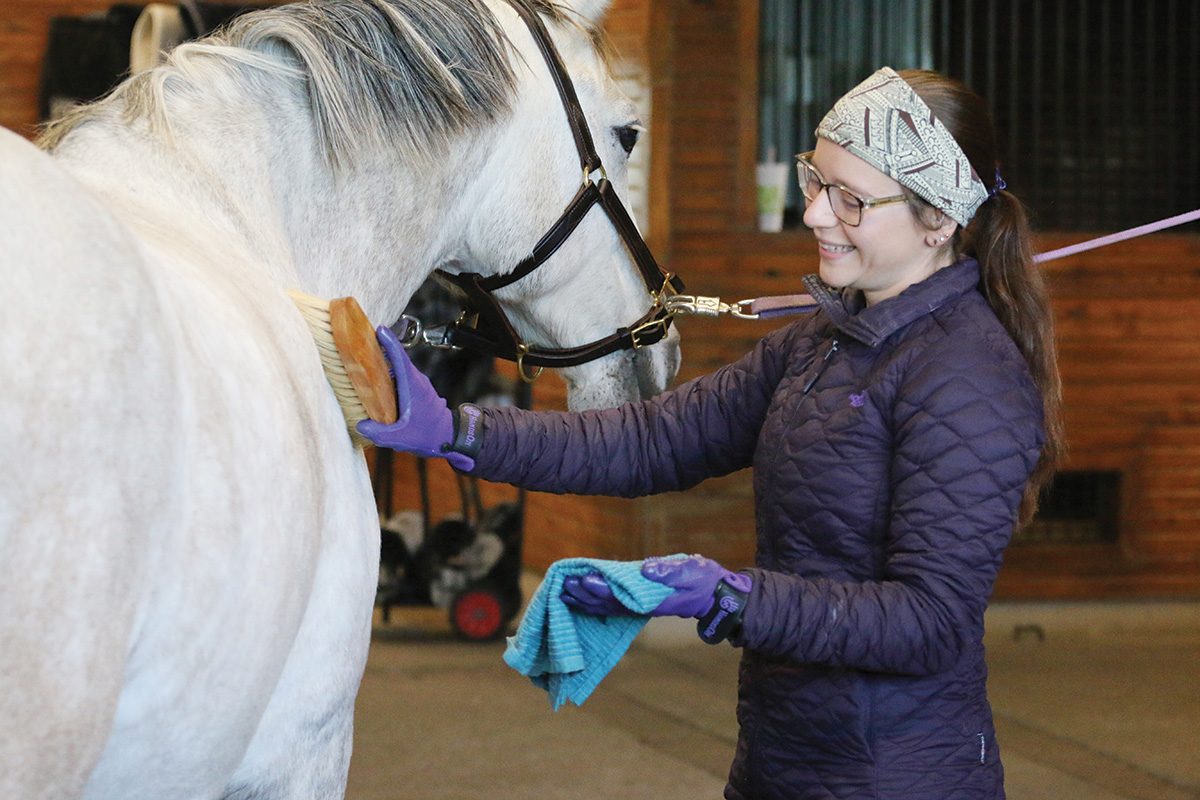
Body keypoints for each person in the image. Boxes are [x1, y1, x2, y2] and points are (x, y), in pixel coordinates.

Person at [359, 66, 1065, 800]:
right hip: (781, 758)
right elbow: (653, 439)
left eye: (852, 201)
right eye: (816, 182)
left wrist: (730, 596)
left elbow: (929, 621)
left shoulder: (968, 378)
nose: (817, 216)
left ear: (939, 218)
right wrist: (460, 431)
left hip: (895, 776)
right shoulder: (823, 339)